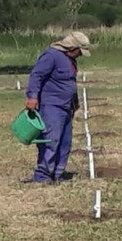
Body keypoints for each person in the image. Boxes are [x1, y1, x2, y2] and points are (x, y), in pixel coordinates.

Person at [24, 31, 92, 183]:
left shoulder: (70, 60)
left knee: (65, 142)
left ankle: (57, 174)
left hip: (66, 107)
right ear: (72, 48)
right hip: (51, 107)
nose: (80, 55)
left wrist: (75, 102)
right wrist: (32, 97)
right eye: (80, 52)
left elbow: (69, 82)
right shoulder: (51, 56)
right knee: (50, 141)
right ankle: (42, 176)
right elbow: (36, 75)